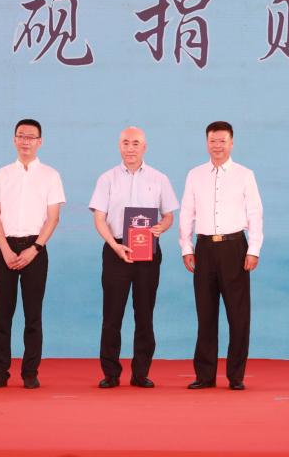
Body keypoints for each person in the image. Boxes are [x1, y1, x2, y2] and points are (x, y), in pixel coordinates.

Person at [89, 127, 179, 389]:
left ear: (144, 147)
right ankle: (111, 373)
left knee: (145, 313)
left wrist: (162, 227)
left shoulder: (159, 178)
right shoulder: (107, 179)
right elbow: (99, 218)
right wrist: (114, 246)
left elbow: (169, 215)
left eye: (135, 143)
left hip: (147, 251)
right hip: (116, 249)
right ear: (119, 146)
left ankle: (141, 373)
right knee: (112, 314)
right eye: (126, 143)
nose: (130, 148)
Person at [179, 121, 263, 390]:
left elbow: (255, 214)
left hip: (235, 247)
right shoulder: (195, 175)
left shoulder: (244, 175)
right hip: (204, 248)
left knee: (238, 315)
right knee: (205, 314)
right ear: (207, 143)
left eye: (222, 141)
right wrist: (186, 247)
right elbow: (187, 212)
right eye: (213, 141)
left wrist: (253, 250)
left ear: (232, 143)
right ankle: (205, 375)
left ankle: (236, 376)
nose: (217, 146)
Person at [0, 119, 65, 390]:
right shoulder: (2, 174)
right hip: (5, 248)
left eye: (31, 137)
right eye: (21, 136)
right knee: (2, 314)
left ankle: (30, 372)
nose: (25, 141)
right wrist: (5, 250)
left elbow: (53, 218)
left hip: (35, 249)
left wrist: (35, 248)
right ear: (14, 139)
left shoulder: (50, 175)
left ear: (40, 141)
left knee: (33, 314)